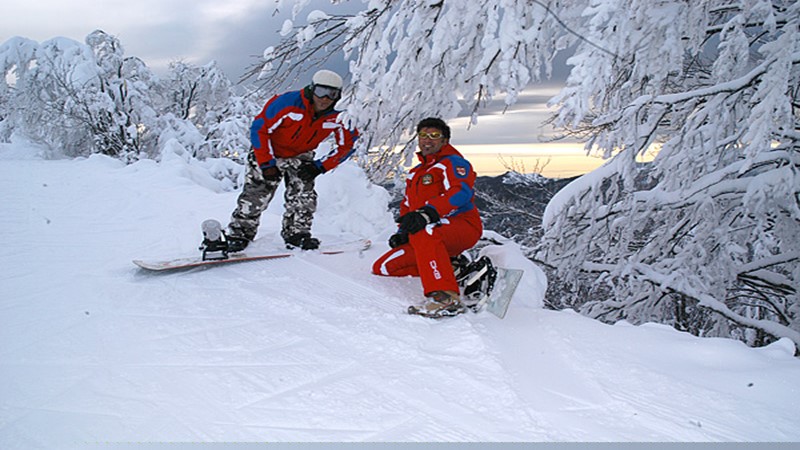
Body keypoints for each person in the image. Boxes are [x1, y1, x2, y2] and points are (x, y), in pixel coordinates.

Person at [224, 69, 358, 251]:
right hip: (270, 151)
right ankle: (239, 233)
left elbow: (347, 146)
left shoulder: (338, 116)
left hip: (301, 155)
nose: (325, 98)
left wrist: (320, 167)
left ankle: (297, 233)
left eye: (331, 94)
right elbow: (260, 128)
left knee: (304, 194)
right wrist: (266, 163)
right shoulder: (288, 103)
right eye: (321, 91)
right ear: (312, 89)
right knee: (257, 194)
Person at [372, 117, 483, 317]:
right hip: (429, 231)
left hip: (463, 225)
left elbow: (461, 192)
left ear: (445, 140)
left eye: (434, 135)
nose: (427, 140)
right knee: (385, 267)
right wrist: (403, 232)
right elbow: (407, 207)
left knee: (426, 231)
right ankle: (452, 268)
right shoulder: (416, 174)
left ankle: (445, 297)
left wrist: (430, 212)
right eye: (423, 135)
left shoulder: (453, 163)